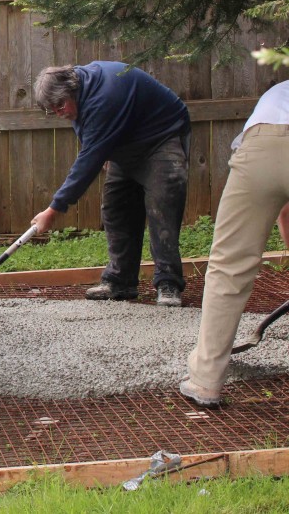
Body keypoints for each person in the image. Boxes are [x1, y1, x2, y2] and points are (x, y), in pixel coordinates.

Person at [31, 62, 191, 306]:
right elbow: (91, 138)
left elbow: (87, 162)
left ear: (72, 89)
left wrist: (54, 209)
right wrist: (103, 147)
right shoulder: (79, 93)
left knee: (162, 209)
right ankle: (120, 281)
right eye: (51, 110)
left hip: (161, 137)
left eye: (60, 105)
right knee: (116, 208)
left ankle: (168, 283)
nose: (58, 112)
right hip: (125, 142)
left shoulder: (103, 97)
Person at [181, 80, 289, 408]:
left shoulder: (277, 93)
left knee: (230, 264)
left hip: (262, 145)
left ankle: (205, 381)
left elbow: (284, 209)